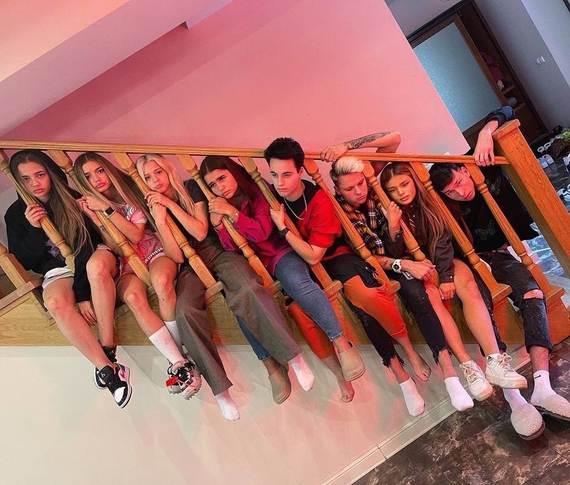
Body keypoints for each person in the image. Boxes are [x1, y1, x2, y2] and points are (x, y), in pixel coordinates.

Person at [263, 137, 436, 415]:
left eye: (286, 174)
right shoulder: (271, 196)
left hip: (334, 256)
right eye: (274, 175)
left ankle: (407, 355)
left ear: (300, 171)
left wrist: (283, 229)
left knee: (366, 298)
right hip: (305, 267)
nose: (280, 182)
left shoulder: (319, 199)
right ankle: (340, 375)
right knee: (297, 310)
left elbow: (315, 255)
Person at [135, 154, 312, 419]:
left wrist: (170, 205)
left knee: (248, 288)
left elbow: (200, 231)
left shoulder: (190, 187)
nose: (155, 180)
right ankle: (221, 393)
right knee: (185, 312)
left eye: (158, 172)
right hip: (190, 266)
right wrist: (160, 220)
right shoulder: (154, 208)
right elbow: (178, 256)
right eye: (148, 177)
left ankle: (294, 358)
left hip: (218, 250)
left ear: (167, 170)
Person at [430, 106, 570, 430]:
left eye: (459, 181)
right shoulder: (445, 207)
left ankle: (543, 386)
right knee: (484, 311)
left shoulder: (483, 167)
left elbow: (506, 109)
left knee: (533, 293)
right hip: (472, 263)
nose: (460, 191)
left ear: (464, 168)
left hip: (501, 254)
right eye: (451, 191)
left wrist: (485, 132)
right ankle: (514, 399)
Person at [199, 155, 366, 395]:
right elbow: (232, 247)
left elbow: (262, 232)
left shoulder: (259, 190)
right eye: (213, 184)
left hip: (279, 253)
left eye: (222, 178)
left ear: (233, 171)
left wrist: (233, 214)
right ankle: (276, 367)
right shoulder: (220, 205)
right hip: (255, 264)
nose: (219, 187)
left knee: (299, 284)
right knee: (241, 303)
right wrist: (218, 225)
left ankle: (342, 343)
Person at [5, 150, 132, 408]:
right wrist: (34, 229)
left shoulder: (72, 199)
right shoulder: (16, 214)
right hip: (57, 270)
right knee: (54, 303)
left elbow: (86, 248)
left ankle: (108, 349)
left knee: (96, 267)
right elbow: (26, 262)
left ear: (50, 173)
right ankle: (108, 371)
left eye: (39, 175)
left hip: (90, 257)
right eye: (26, 179)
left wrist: (83, 296)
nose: (34, 183)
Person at [73, 152, 201, 400]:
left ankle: (180, 357)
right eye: (88, 177)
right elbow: (120, 248)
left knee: (162, 281)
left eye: (99, 171)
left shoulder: (131, 191)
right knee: (132, 296)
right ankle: (178, 362)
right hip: (127, 262)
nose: (96, 179)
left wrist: (108, 210)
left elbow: (136, 235)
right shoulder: (93, 205)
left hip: (154, 251)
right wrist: (96, 218)